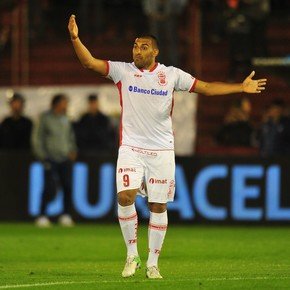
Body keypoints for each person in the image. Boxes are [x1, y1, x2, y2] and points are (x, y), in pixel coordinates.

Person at [68, 14, 266, 279]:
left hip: (161, 150)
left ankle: (152, 263)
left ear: (155, 51)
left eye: (143, 47)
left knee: (158, 206)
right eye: (135, 46)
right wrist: (75, 38)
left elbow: (205, 87)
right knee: (125, 196)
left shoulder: (171, 75)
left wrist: (240, 88)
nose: (137, 50)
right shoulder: (123, 71)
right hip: (131, 147)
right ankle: (131, 255)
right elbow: (89, 62)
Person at [33, 94, 77, 228]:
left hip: (65, 158)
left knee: (67, 187)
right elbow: (37, 138)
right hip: (50, 158)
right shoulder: (45, 118)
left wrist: (72, 149)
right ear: (57, 103)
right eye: (64, 102)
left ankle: (66, 215)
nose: (66, 105)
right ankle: (42, 215)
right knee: (49, 187)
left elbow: (70, 136)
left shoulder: (65, 119)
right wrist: (42, 155)